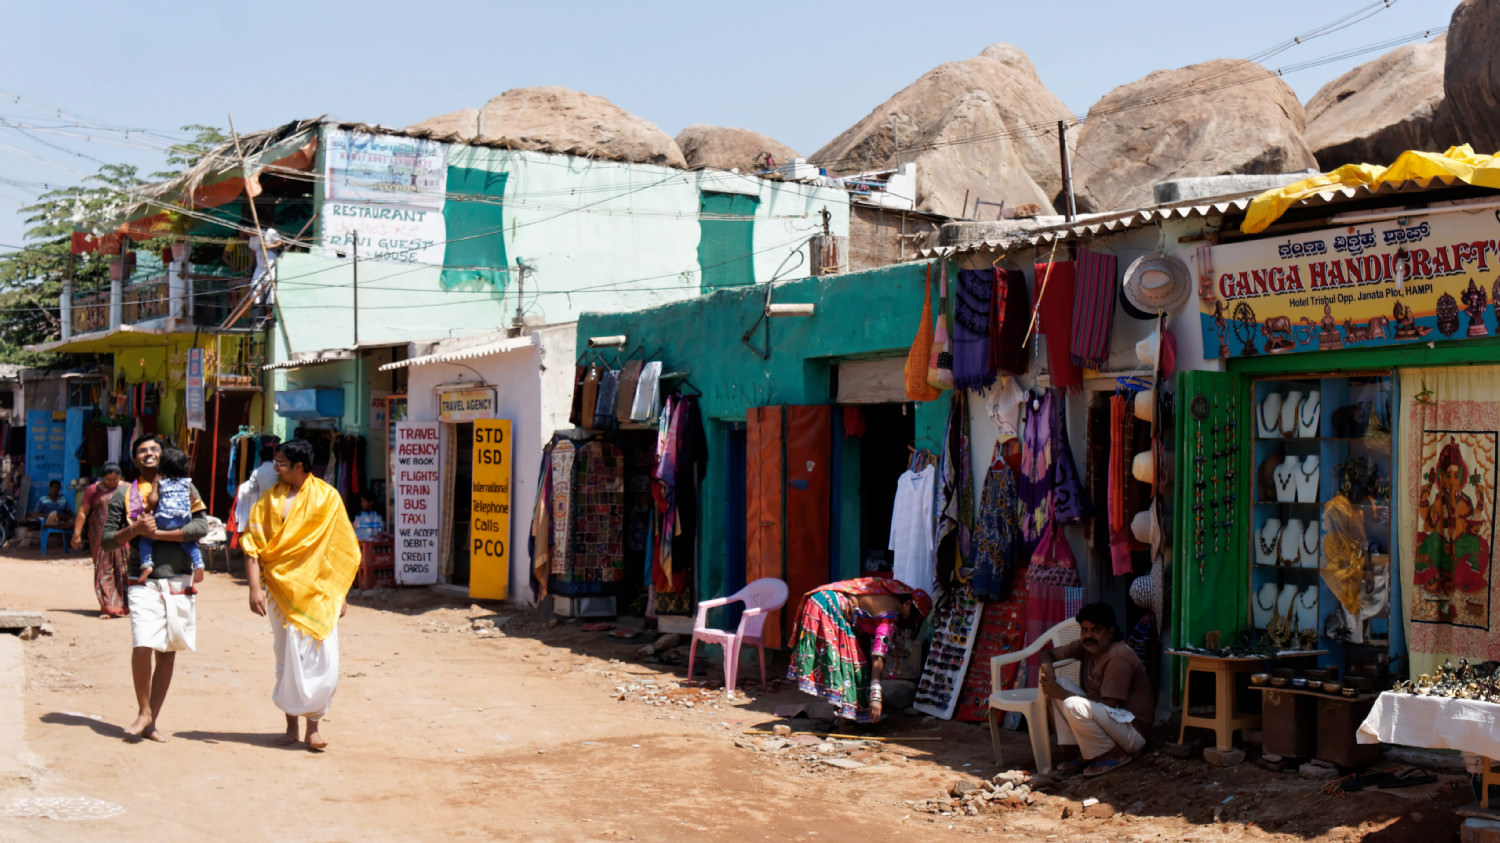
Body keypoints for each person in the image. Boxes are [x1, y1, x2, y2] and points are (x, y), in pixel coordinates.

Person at [240, 439, 362, 751]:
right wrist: (255, 588)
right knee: (288, 660)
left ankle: (314, 728)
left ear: (300, 466)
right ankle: (291, 726)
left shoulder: (327, 498)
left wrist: (341, 594)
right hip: (280, 593)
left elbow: (340, 550)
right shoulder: (268, 501)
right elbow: (253, 545)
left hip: (320, 594)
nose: (275, 467)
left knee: (323, 662)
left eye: (281, 462)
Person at [101, 434, 210, 742]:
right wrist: (135, 529)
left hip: (179, 578)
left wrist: (162, 535)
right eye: (141, 451)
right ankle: (143, 710)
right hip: (142, 579)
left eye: (153, 449)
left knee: (168, 651)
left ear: (162, 456)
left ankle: (151, 720)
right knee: (142, 642)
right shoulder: (124, 495)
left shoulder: (187, 487)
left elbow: (201, 527)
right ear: (134, 459)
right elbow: (108, 539)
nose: (147, 454)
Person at [785, 577, 933, 725]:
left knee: (853, 662)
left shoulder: (886, 591)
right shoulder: (889, 617)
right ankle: (848, 715)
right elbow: (878, 656)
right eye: (913, 617)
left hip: (819, 600)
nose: (910, 622)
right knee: (850, 665)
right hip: (829, 607)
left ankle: (845, 713)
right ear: (907, 604)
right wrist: (876, 695)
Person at [1040, 602, 1155, 778]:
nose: (1088, 635)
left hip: (1132, 732)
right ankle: (1087, 752)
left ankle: (1112, 754)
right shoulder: (1087, 646)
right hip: (1111, 722)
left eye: (1095, 630)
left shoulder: (1118, 656)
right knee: (1059, 682)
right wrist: (1047, 666)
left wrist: (1061, 694)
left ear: (1110, 631)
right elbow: (1047, 653)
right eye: (1084, 630)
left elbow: (1110, 704)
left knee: (1071, 703)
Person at [135, 447, 204, 582]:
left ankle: (147, 564)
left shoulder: (161, 482)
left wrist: (155, 485)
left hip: (163, 520)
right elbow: (194, 499)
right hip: (183, 519)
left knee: (145, 540)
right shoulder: (187, 483)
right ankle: (198, 563)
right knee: (189, 543)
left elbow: (152, 500)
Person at [73, 463, 131, 618]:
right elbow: (83, 512)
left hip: (123, 535)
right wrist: (77, 533)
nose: (112, 482)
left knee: (124, 569)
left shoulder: (128, 488)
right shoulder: (93, 490)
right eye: (108, 479)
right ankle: (108, 606)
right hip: (100, 537)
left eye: (115, 478)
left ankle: (125, 606)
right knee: (104, 570)